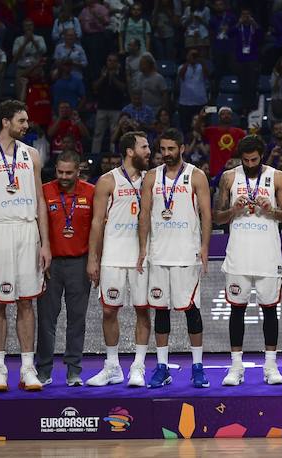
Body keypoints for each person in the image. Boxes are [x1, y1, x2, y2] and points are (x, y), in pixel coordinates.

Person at [0, 100, 51, 392]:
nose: (27, 126)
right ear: (5, 121)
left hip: (28, 231)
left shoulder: (32, 155)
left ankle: (28, 369)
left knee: (27, 301)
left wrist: (45, 244)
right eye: (22, 120)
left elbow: (40, 201)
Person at [215, 135, 282, 386]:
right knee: (236, 310)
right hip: (238, 255)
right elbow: (217, 217)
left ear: (262, 156)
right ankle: (236, 367)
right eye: (246, 160)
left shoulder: (276, 177)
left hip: (268, 256)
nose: (250, 164)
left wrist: (272, 210)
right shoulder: (229, 177)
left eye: (254, 159)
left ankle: (270, 366)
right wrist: (233, 210)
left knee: (269, 311)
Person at [137, 128, 212, 388]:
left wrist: (204, 247)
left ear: (182, 148)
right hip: (158, 254)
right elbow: (144, 215)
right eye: (163, 149)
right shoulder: (151, 177)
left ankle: (198, 367)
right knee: (161, 311)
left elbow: (206, 214)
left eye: (171, 149)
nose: (166, 154)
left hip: (186, 255)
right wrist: (142, 248)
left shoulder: (196, 175)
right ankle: (161, 367)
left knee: (191, 310)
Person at [85, 131, 153, 387]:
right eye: (144, 147)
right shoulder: (107, 181)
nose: (149, 152)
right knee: (108, 310)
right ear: (130, 151)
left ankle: (138, 366)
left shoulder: (152, 179)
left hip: (142, 258)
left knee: (142, 311)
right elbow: (96, 223)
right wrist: (93, 258)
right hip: (113, 255)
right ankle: (112, 366)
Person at [35, 152, 95, 387]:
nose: (64, 177)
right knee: (46, 320)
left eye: (69, 173)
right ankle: (44, 369)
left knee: (76, 320)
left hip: (79, 263)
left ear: (78, 171)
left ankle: (73, 370)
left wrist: (93, 260)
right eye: (60, 172)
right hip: (51, 264)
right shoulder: (45, 190)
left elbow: (96, 229)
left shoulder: (90, 191)